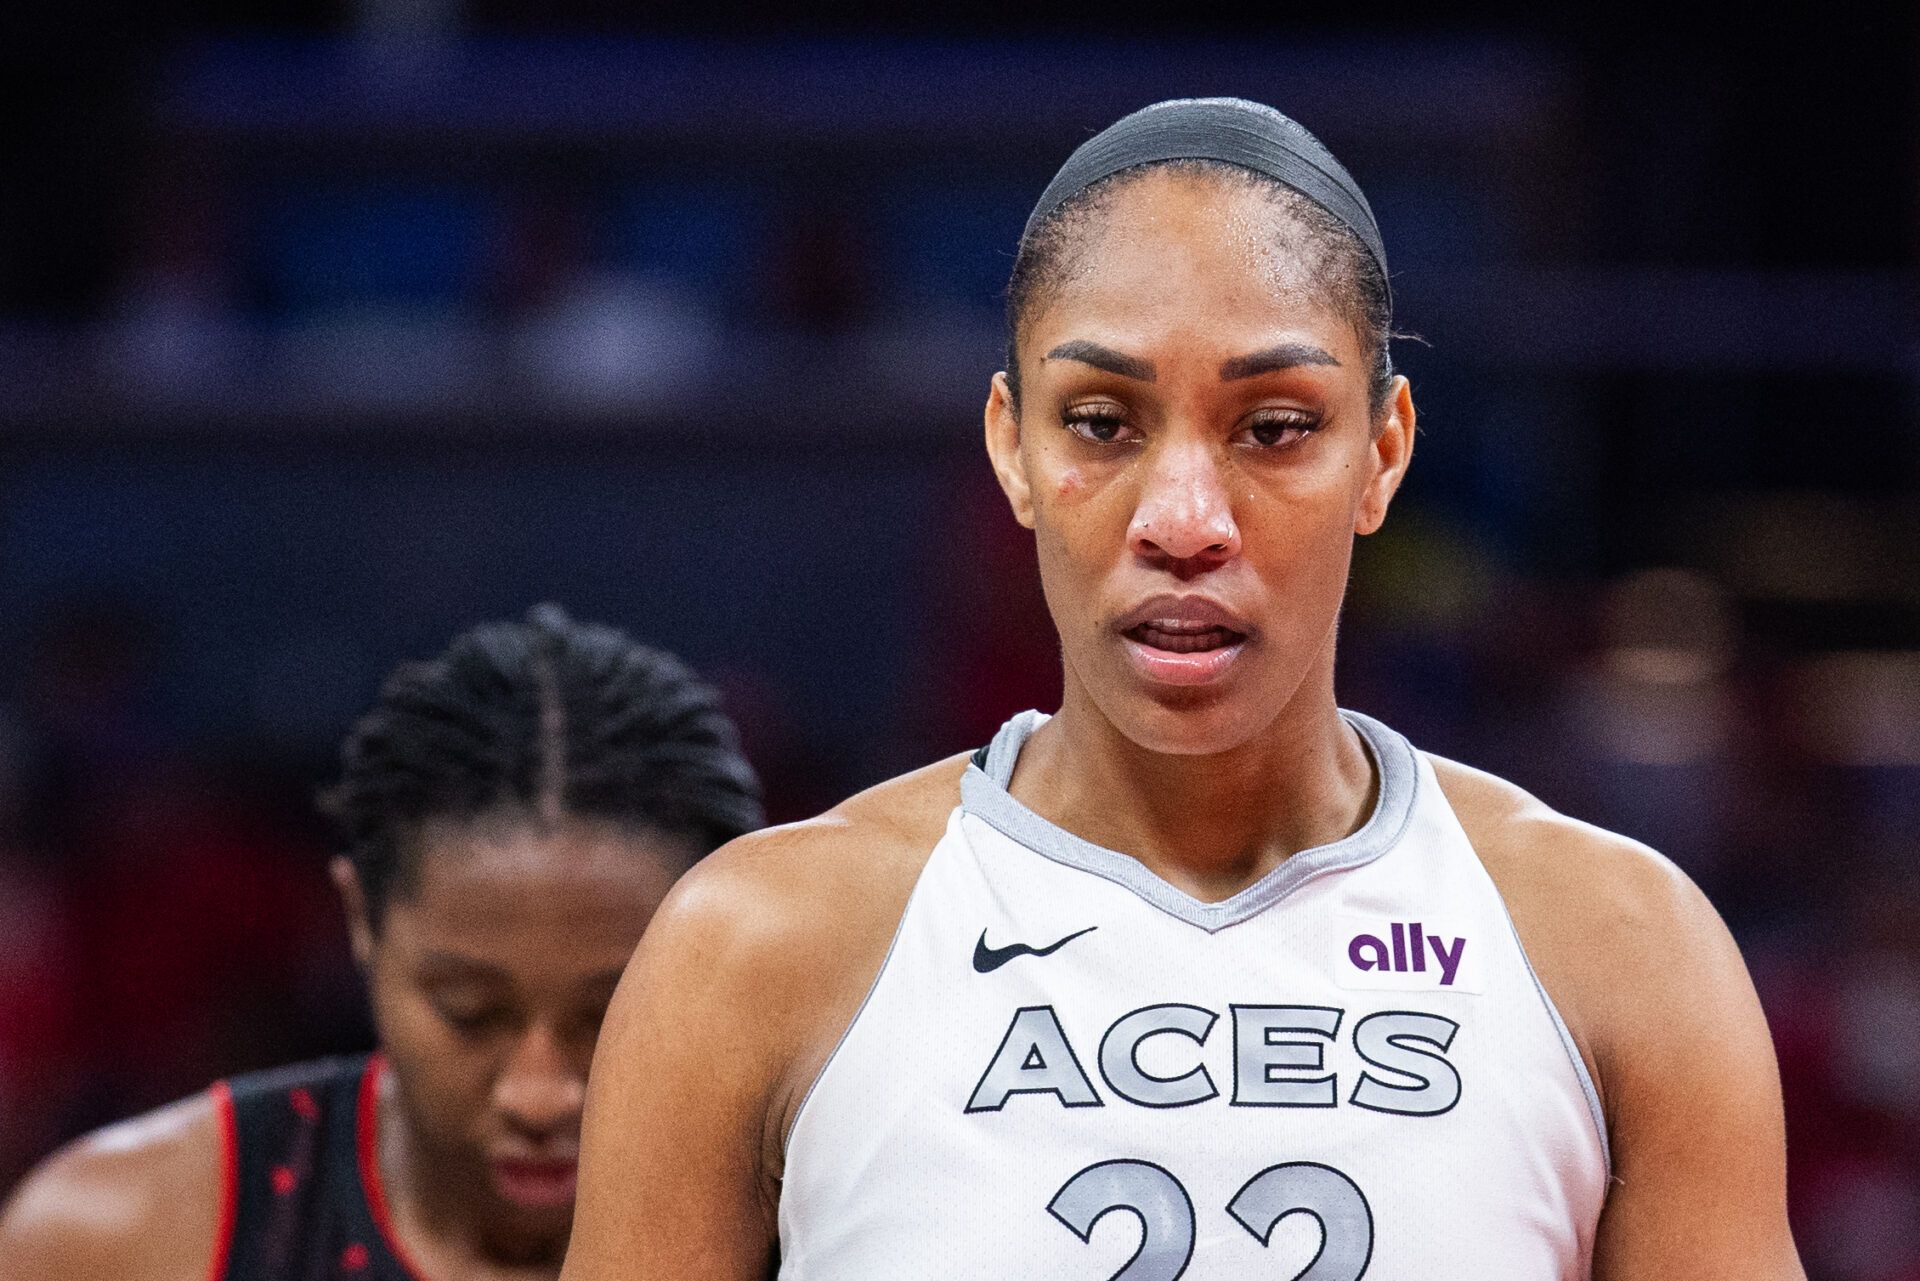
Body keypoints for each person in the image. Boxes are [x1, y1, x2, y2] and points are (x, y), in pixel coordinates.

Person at [558, 99, 1804, 1280]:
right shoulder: (752, 951)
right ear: (1014, 450)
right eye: (1102, 421)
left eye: (1273, 427)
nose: (1186, 521)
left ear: (1383, 454)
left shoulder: (1626, 952)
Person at [0, 605, 763, 1281]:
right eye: (469, 1012)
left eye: (612, 1019)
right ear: (361, 919)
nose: (539, 1095)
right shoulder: (113, 1240)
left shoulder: (823, 1234)